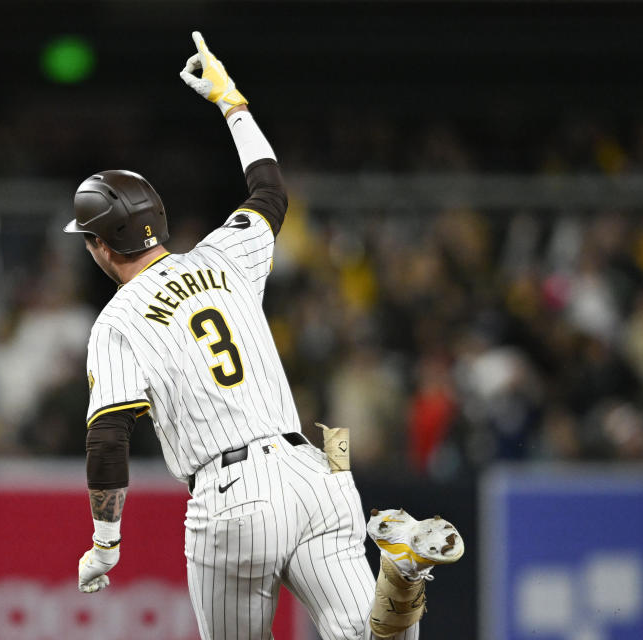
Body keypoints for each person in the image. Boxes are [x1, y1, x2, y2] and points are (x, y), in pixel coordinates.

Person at [67, 31, 464, 640]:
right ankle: (403, 577)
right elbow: (270, 190)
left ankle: (403, 579)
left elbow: (108, 440)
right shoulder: (224, 255)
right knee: (366, 635)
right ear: (158, 224)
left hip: (232, 495)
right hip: (316, 468)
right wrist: (233, 103)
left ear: (98, 244)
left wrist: (105, 539)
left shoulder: (119, 321)